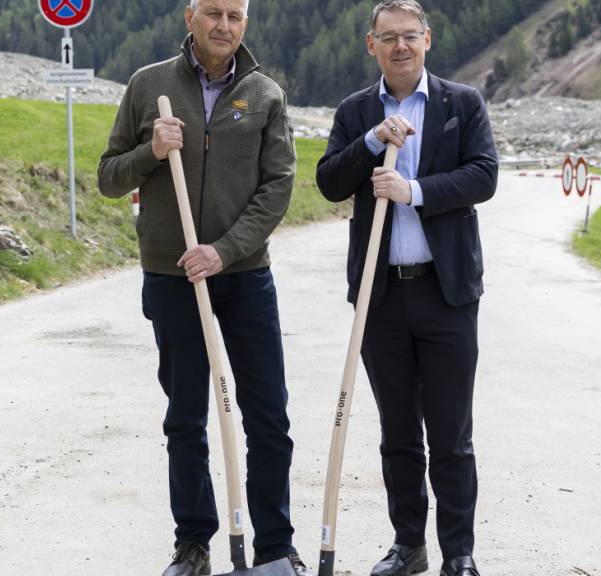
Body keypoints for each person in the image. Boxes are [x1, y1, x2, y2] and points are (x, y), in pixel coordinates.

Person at [97, 1, 312, 575]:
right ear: (190, 15)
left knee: (268, 414)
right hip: (172, 275)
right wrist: (152, 151)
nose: (224, 25)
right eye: (213, 12)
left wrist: (225, 249)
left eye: (236, 16)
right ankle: (193, 544)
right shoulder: (149, 86)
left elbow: (277, 188)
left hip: (242, 275)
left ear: (246, 23)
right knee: (185, 415)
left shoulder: (265, 93)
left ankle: (273, 546)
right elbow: (108, 178)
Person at [315, 1, 498, 575]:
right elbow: (328, 181)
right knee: (398, 433)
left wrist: (412, 190)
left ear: (428, 40)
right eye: (388, 38)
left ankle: (459, 554)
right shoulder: (355, 111)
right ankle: (408, 546)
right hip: (382, 296)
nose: (400, 47)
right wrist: (370, 142)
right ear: (372, 45)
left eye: (410, 36)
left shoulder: (461, 104)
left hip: (446, 294)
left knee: (450, 433)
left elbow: (484, 175)